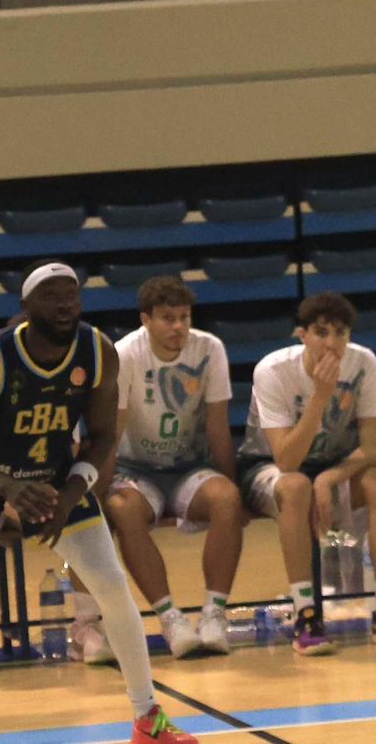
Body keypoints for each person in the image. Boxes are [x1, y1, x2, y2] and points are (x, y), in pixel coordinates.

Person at [0, 262, 196, 744]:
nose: (65, 305)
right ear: (25, 307)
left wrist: (72, 494)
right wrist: (8, 489)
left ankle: (148, 719)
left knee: (111, 585)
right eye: (52, 296)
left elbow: (103, 437)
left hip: (55, 479)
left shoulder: (97, 351)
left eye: (73, 296)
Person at [236, 292, 376, 655]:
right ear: (301, 334)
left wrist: (330, 477)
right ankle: (305, 614)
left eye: (340, 332)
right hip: (267, 467)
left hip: (329, 467)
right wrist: (320, 396)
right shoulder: (273, 370)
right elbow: (286, 460)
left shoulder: (363, 363)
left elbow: (374, 448)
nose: (332, 343)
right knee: (296, 485)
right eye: (321, 332)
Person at [96, 276, 242, 661]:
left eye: (184, 317)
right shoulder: (125, 354)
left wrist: (236, 486)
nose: (178, 327)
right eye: (167, 318)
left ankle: (214, 614)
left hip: (188, 467)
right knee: (124, 510)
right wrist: (97, 495)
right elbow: (113, 431)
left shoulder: (210, 349)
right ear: (146, 320)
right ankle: (170, 618)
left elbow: (217, 426)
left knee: (227, 498)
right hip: (136, 469)